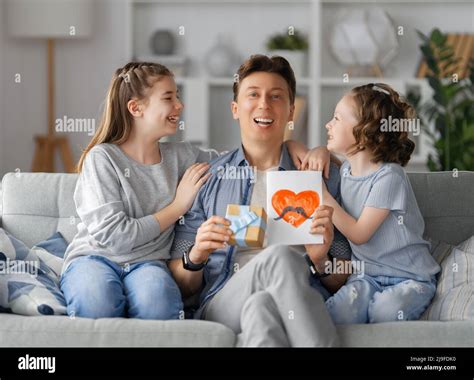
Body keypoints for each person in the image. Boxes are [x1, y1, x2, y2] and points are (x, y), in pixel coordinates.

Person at [59, 61, 323, 320]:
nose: (179, 105)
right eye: (169, 98)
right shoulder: (103, 158)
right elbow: (116, 236)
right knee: (96, 301)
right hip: (98, 257)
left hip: (148, 263)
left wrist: (296, 147)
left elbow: (239, 156)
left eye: (178, 96)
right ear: (135, 108)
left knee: (160, 305)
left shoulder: (183, 156)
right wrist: (178, 207)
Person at [168, 55, 353, 347]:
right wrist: (197, 254)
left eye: (276, 96)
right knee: (279, 257)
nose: (264, 104)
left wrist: (321, 259)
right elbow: (181, 285)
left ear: (291, 111)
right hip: (223, 300)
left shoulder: (322, 177)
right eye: (253, 94)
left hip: (297, 299)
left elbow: (343, 276)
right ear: (235, 109)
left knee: (260, 310)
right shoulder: (208, 178)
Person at [322, 83, 440, 324]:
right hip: (366, 277)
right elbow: (327, 160)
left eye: (336, 118)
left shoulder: (390, 176)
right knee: (338, 315)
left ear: (364, 131)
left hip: (408, 276)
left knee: (385, 312)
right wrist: (317, 152)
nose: (328, 124)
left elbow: (359, 234)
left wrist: (323, 198)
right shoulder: (345, 170)